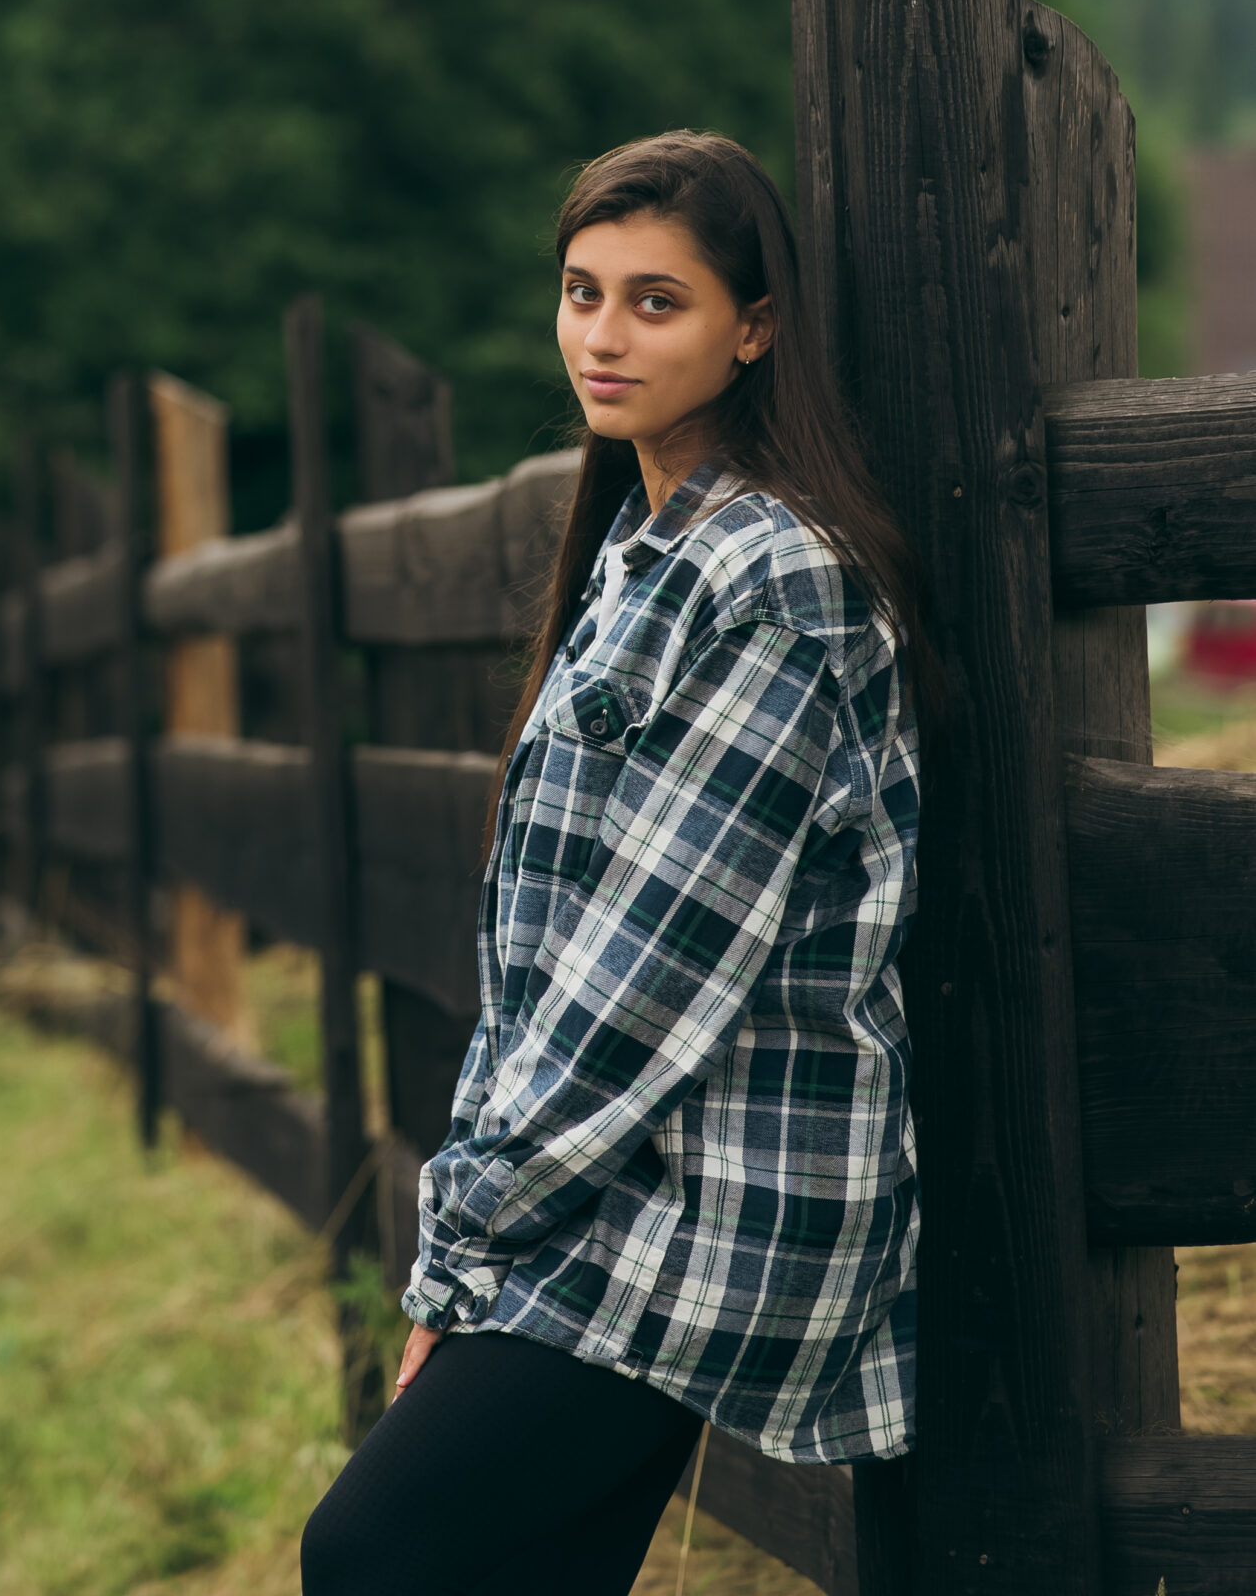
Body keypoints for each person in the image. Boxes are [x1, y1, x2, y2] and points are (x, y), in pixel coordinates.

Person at [301, 130, 928, 1596]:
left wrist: (463, 1244)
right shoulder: (643, 558)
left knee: (376, 1549)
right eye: (582, 293)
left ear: (751, 330)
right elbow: (544, 963)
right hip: (616, 1178)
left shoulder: (772, 576)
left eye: (657, 302)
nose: (602, 335)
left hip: (715, 1187)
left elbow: (641, 978)